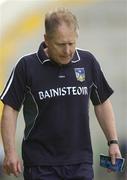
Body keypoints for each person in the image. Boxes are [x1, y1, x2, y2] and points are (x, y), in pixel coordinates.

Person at [0, 8, 121, 180]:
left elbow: (101, 103)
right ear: (47, 40)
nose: (68, 51)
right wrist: (10, 152)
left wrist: (113, 142)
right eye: (61, 44)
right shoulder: (26, 66)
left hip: (80, 163)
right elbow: (10, 110)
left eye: (71, 43)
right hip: (40, 165)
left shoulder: (88, 62)